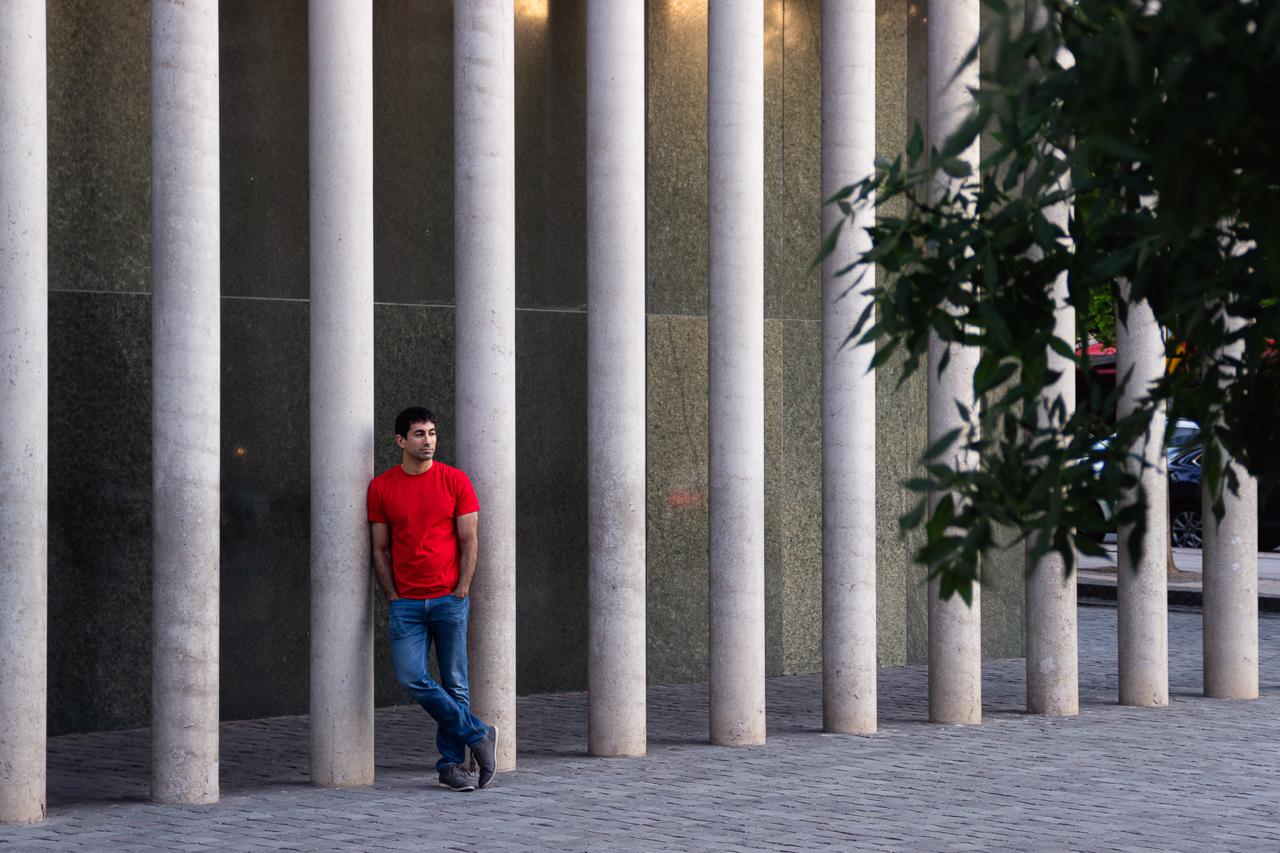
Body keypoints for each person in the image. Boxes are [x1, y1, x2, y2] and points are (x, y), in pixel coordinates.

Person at [367, 406, 499, 792]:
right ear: (401, 441)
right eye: (420, 434)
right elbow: (379, 549)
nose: (429, 441)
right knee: (411, 677)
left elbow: (470, 540)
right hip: (406, 603)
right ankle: (478, 733)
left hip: (448, 598)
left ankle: (451, 766)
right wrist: (392, 594)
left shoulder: (455, 480)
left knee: (456, 683)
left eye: (432, 433)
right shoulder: (382, 487)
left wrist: (462, 588)